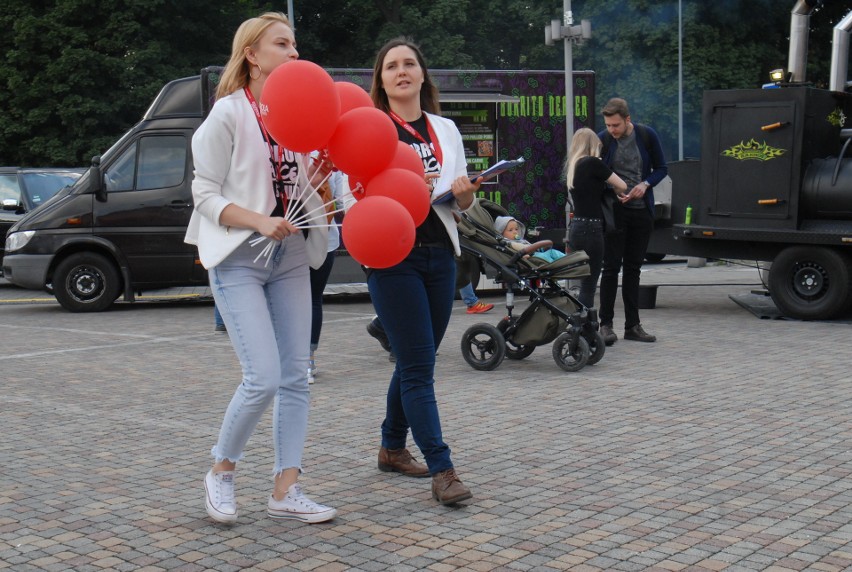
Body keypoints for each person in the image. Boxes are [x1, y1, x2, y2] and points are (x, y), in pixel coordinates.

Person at [185, 12, 336, 525]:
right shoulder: (227, 114)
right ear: (252, 54)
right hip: (238, 257)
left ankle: (285, 490)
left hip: (292, 256)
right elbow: (202, 192)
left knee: (297, 376)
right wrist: (258, 220)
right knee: (263, 377)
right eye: (282, 43)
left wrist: (318, 177)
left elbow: (306, 191)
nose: (295, 53)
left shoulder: (304, 114)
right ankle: (220, 472)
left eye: (296, 45)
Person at [367, 36, 479, 505]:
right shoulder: (371, 129)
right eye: (391, 66)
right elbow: (357, 197)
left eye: (409, 63)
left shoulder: (446, 128)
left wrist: (465, 194)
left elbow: (463, 202)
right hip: (392, 255)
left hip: (439, 254)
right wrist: (411, 186)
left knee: (418, 361)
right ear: (382, 80)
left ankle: (392, 446)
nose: (401, 71)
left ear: (422, 75)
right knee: (418, 368)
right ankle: (443, 468)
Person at [597, 97, 668, 344]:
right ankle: (605, 325)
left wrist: (645, 185)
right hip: (615, 213)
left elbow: (662, 168)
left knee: (633, 269)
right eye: (608, 125)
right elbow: (595, 172)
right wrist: (612, 189)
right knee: (610, 268)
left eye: (615, 125)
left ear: (628, 120)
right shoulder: (603, 140)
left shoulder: (647, 136)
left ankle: (632, 326)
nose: (611, 130)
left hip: (641, 211)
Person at [564, 128, 627, 309]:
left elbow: (589, 192)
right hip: (593, 228)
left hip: (576, 227)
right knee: (589, 285)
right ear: (593, 145)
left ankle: (578, 321)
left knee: (582, 280)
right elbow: (622, 185)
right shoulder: (593, 163)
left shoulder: (573, 166)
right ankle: (585, 327)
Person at [308, 170, 349, 384]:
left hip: (289, 238)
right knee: (313, 299)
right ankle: (308, 360)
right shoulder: (327, 161)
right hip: (325, 238)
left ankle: (294, 359)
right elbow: (342, 204)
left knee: (288, 301)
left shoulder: (283, 152)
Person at [493, 216, 567, 263]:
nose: (515, 232)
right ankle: (555, 266)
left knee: (553, 252)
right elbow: (513, 254)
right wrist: (522, 257)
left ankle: (568, 260)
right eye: (510, 230)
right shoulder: (507, 243)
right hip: (532, 258)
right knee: (545, 257)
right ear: (501, 233)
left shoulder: (521, 241)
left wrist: (540, 248)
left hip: (536, 254)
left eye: (516, 229)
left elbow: (530, 246)